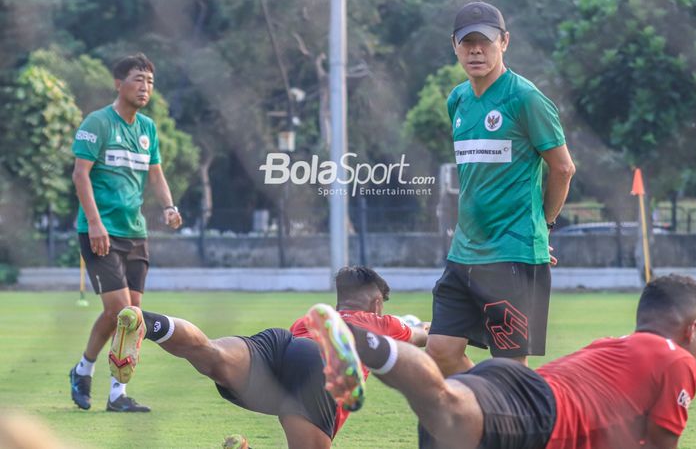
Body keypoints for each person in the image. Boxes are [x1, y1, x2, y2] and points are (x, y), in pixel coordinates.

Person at [312, 274, 696, 449]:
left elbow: (677, 382)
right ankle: (359, 340)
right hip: (538, 412)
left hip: (513, 388)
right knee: (444, 405)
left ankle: (358, 338)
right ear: (691, 329)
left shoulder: (620, 346)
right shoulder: (673, 362)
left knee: (444, 407)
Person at [107, 266, 427, 449]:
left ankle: (147, 322)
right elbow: (427, 335)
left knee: (209, 353)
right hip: (319, 369)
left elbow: (294, 360)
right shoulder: (381, 323)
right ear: (376, 304)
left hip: (282, 343)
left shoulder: (307, 321)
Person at [428, 1, 577, 376]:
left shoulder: (525, 99)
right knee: (441, 349)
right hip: (464, 251)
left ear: (504, 42)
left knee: (508, 366)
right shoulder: (458, 99)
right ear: (454, 46)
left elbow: (562, 168)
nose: (476, 50)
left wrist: (544, 225)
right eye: (467, 43)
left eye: (486, 42)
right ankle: (479, 409)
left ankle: (514, 425)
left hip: (512, 252)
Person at [68, 53, 183, 412]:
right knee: (125, 315)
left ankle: (99, 381)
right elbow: (80, 175)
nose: (145, 86)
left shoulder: (147, 128)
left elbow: (155, 174)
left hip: (135, 233)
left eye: (149, 80)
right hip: (99, 231)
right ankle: (95, 379)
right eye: (137, 79)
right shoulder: (98, 123)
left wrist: (168, 206)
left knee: (127, 315)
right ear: (119, 84)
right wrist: (96, 222)